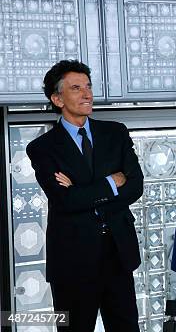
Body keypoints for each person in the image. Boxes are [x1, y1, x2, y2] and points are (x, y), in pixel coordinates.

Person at [26, 60, 143, 331]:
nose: (87, 94)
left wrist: (81, 190)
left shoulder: (115, 132)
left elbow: (135, 187)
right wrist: (110, 182)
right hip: (72, 261)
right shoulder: (42, 148)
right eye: (76, 88)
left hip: (118, 253)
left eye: (88, 86)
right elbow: (64, 201)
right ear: (57, 98)